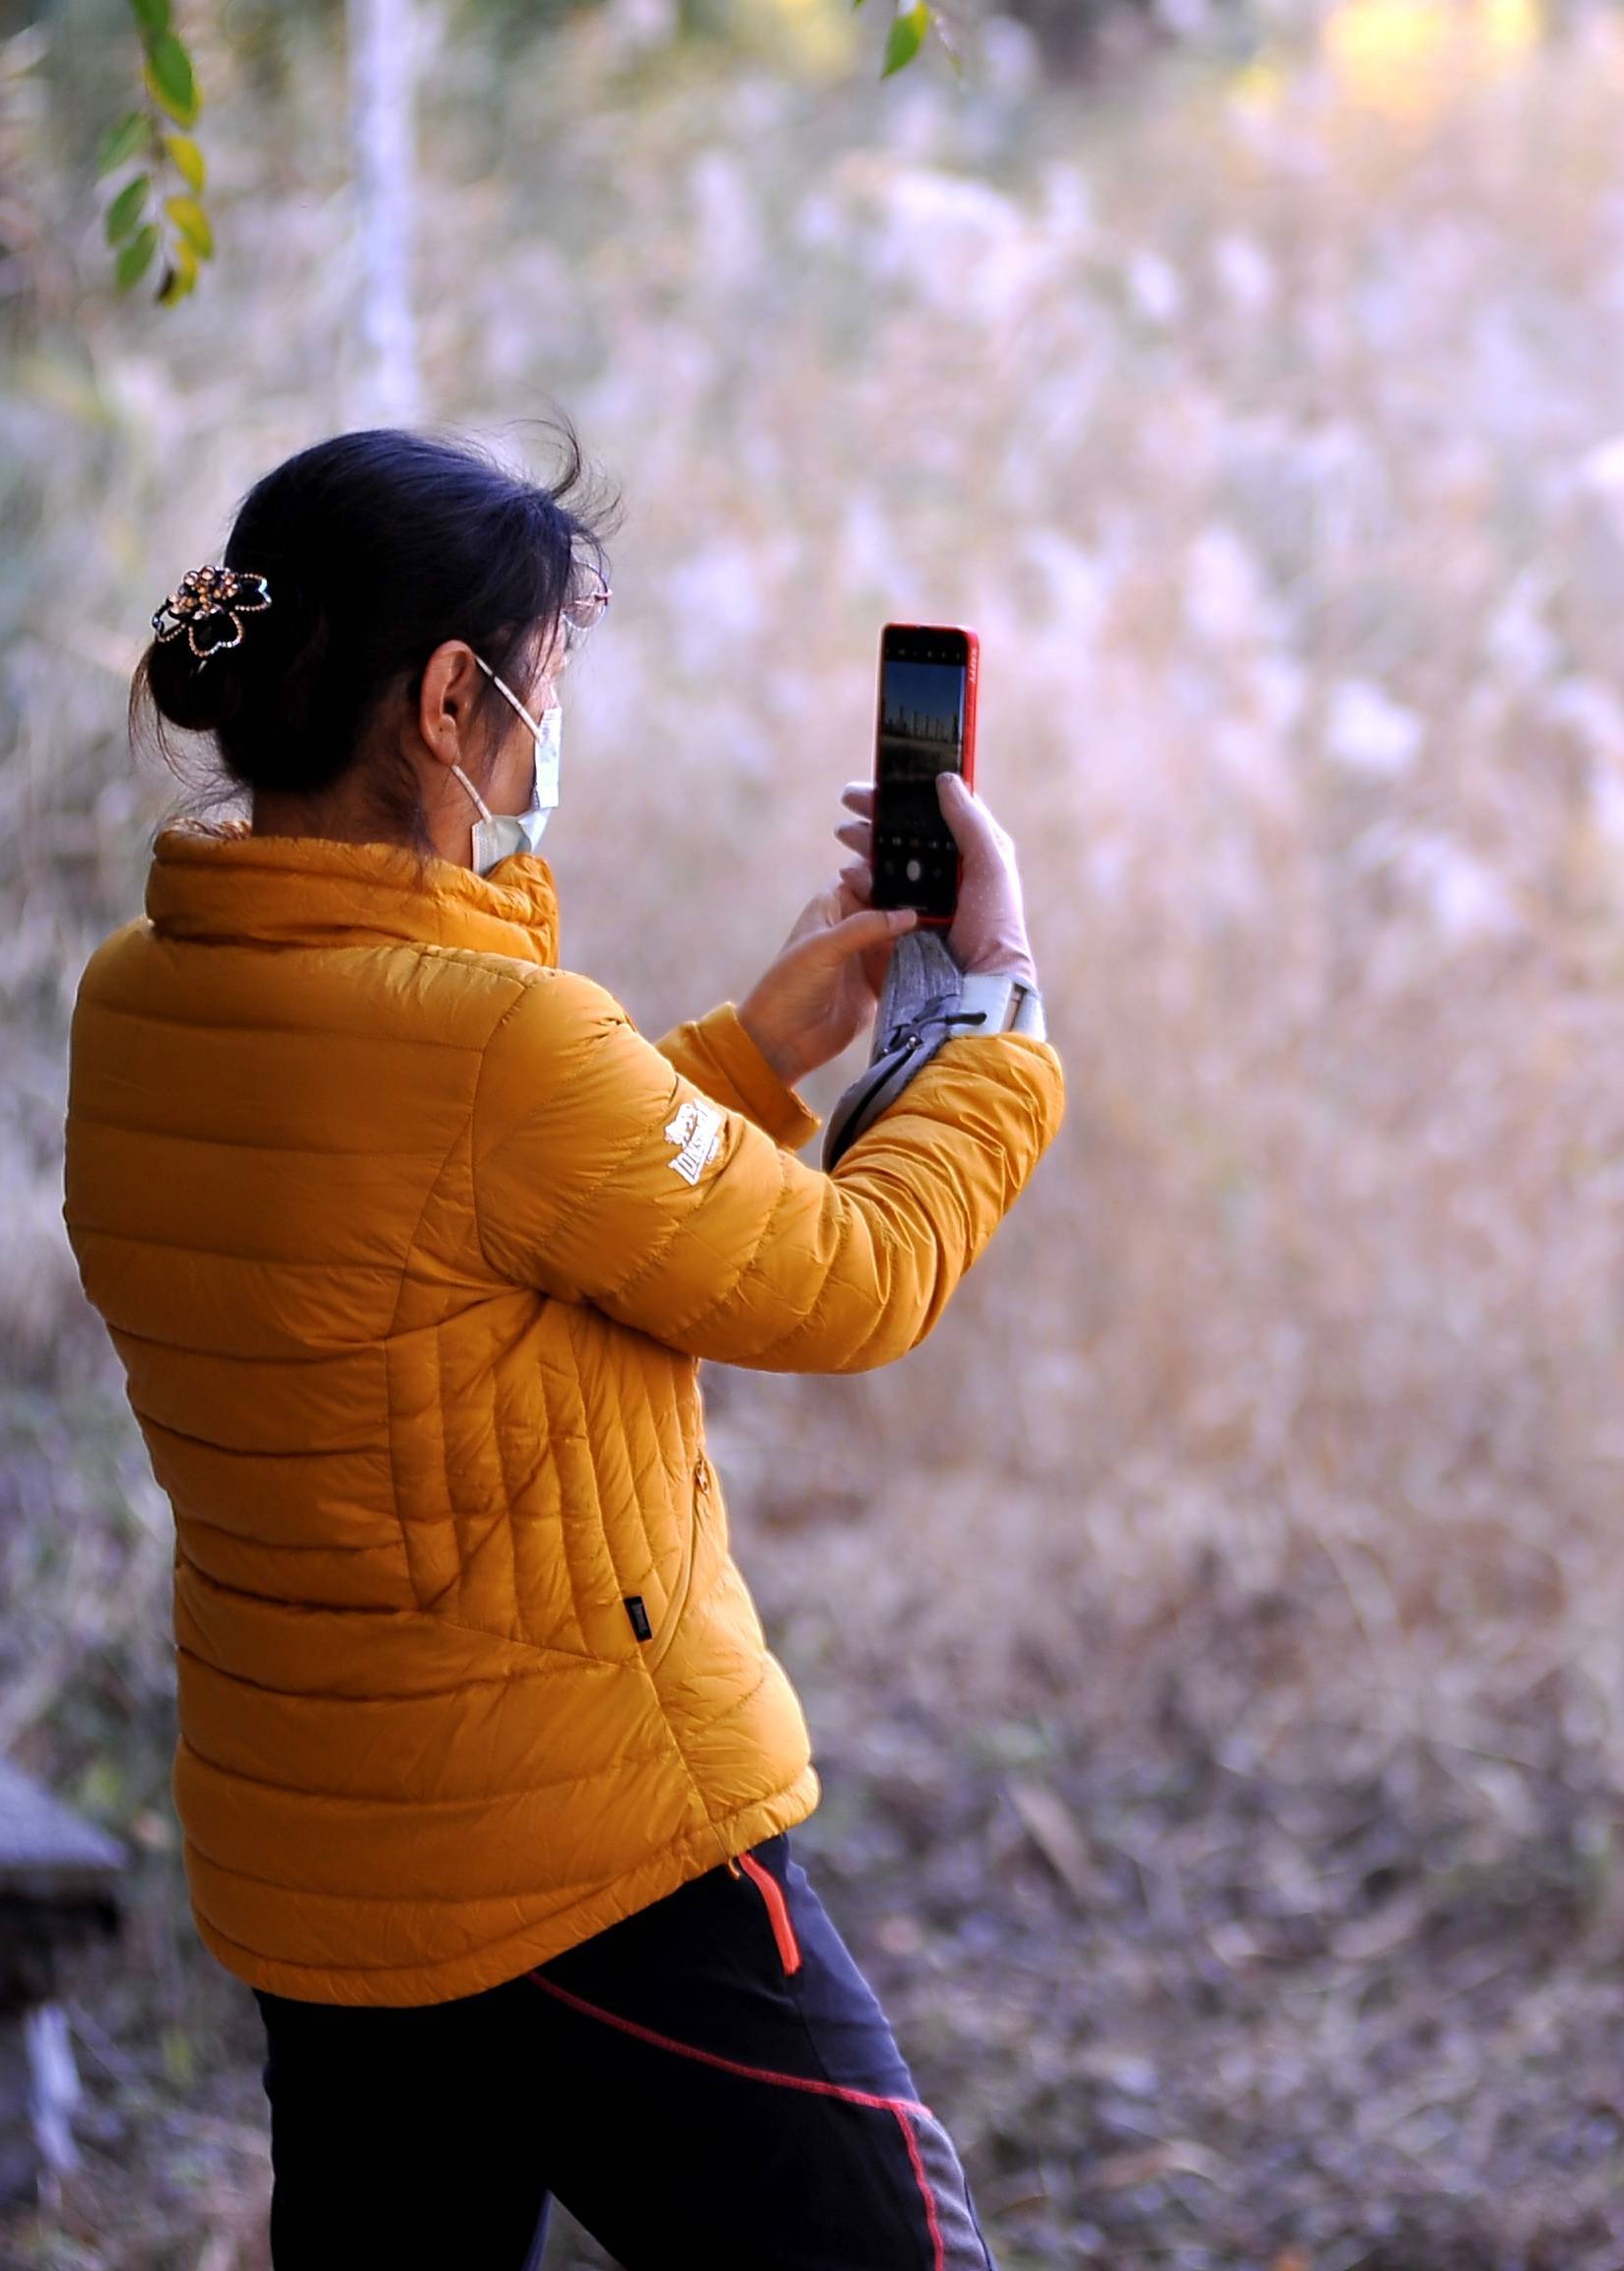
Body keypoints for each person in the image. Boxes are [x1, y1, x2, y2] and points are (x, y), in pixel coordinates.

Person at [60, 427, 1057, 2271]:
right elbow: (854, 1275)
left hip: (329, 1877)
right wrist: (984, 1018)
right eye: (552, 673)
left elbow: (442, 1250)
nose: (553, 716)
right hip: (598, 1860)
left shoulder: (139, 1006)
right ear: (453, 702)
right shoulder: (498, 1046)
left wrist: (754, 1057)